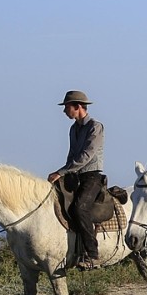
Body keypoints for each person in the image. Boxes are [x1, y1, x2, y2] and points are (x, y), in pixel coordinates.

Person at [46, 90, 106, 270]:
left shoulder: (95, 127)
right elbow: (72, 155)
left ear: (78, 107)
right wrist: (63, 174)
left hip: (92, 175)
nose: (64, 111)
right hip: (75, 174)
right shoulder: (73, 129)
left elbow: (87, 155)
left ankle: (93, 255)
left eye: (67, 107)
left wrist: (61, 171)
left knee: (80, 208)